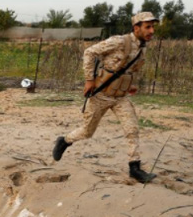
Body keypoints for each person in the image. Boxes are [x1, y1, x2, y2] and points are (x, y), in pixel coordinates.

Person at [53, 12, 159, 183]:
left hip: (120, 98)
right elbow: (89, 52)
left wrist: (129, 85)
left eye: (153, 27)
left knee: (132, 130)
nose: (152, 31)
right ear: (136, 28)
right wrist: (89, 80)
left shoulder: (142, 49)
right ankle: (64, 141)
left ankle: (135, 168)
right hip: (101, 95)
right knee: (87, 132)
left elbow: (130, 70)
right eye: (148, 27)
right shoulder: (119, 41)